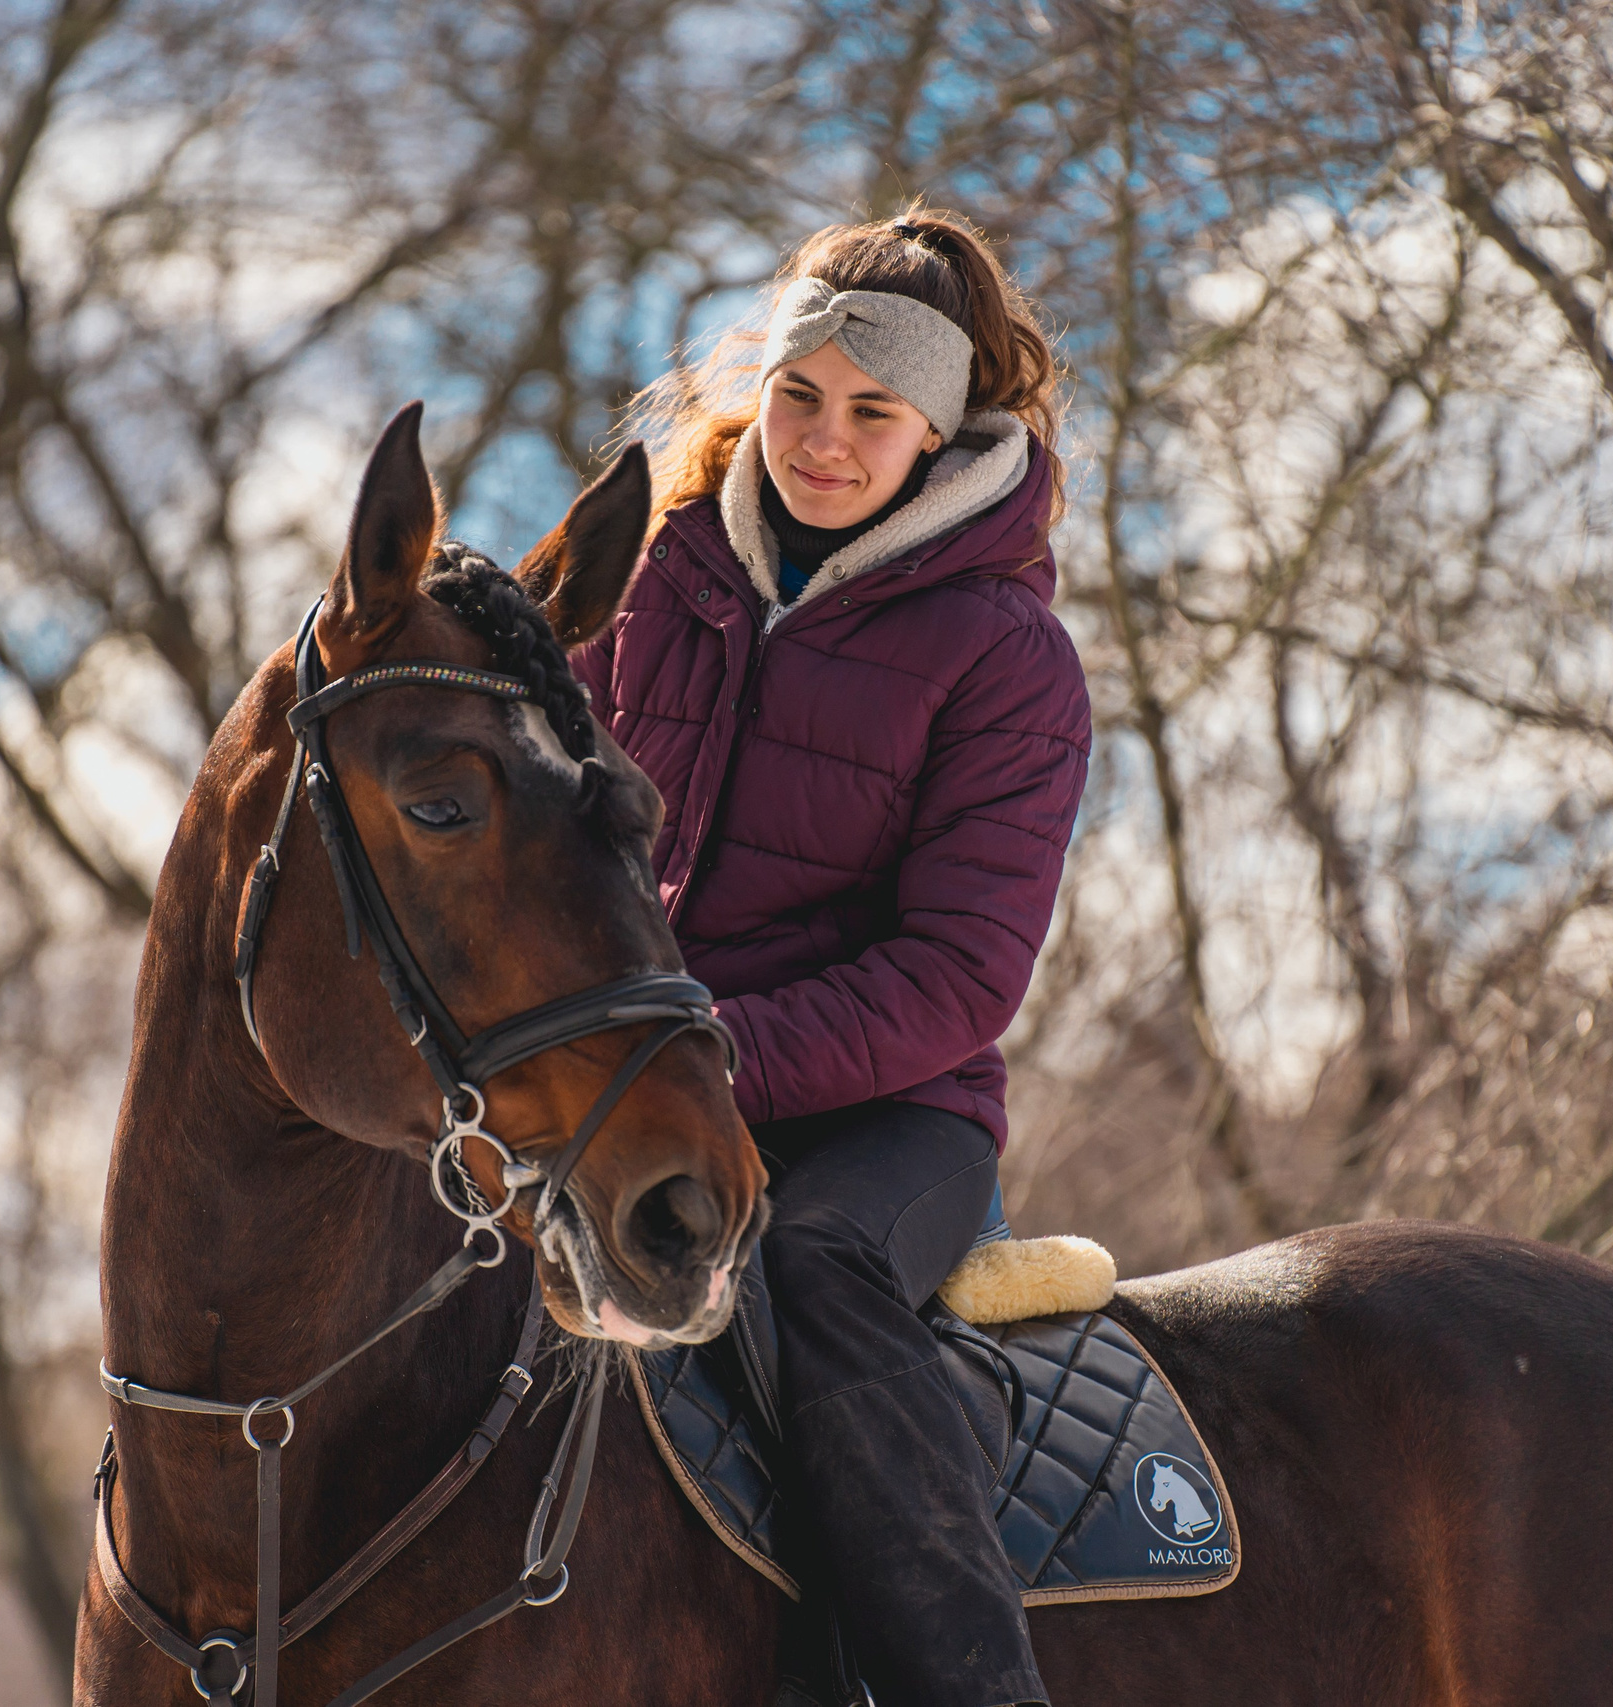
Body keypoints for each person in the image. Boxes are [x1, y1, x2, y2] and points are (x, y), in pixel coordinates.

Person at [570, 207, 1090, 1707]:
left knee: (812, 1261)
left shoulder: (1005, 657)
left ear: (937, 431)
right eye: (799, 394)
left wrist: (694, 1054)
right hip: (621, 1087)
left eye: (875, 412)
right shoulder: (653, 578)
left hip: (888, 1119)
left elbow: (960, 978)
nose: (824, 440)